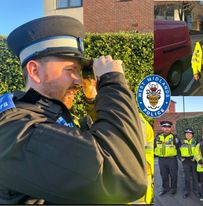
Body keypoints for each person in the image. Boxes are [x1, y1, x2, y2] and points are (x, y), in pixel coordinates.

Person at [0, 16, 147, 204]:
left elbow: (96, 142)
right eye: (70, 69)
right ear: (35, 71)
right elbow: (125, 177)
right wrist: (112, 81)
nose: (78, 81)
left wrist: (93, 100)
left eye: (79, 72)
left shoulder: (45, 114)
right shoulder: (14, 130)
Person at [154, 121, 180, 196]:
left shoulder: (175, 137)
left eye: (168, 127)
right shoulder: (158, 137)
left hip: (172, 159)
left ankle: (173, 189)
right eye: (165, 127)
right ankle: (165, 188)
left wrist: (181, 158)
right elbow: (154, 146)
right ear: (162, 128)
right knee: (163, 175)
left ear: (170, 128)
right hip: (161, 159)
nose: (166, 129)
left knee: (173, 175)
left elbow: (179, 148)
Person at [179, 128, 200, 199]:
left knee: (195, 177)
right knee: (186, 177)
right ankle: (187, 191)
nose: (188, 135)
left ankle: (196, 190)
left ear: (192, 135)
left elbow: (199, 151)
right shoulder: (181, 142)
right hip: (185, 161)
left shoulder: (195, 141)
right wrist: (180, 158)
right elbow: (177, 150)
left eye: (190, 134)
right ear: (185, 135)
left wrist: (196, 157)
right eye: (187, 134)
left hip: (193, 160)